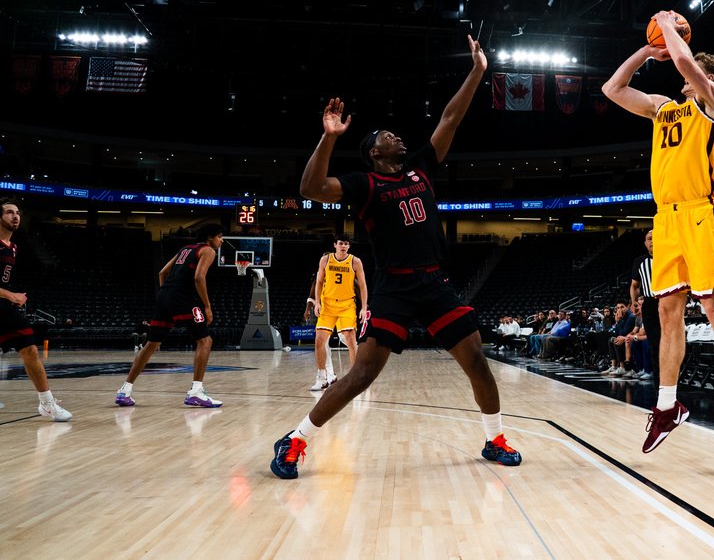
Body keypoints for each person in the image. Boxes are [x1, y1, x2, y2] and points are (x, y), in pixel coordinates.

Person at [271, 36, 522, 480]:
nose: (398, 136)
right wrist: (328, 138)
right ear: (374, 152)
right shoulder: (364, 184)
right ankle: (295, 439)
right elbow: (311, 188)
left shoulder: (421, 166)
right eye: (389, 136)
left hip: (435, 283)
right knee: (363, 373)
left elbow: (450, 117)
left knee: (477, 360)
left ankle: (494, 437)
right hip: (395, 286)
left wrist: (478, 72)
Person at [602, 10, 714, 460]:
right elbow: (613, 89)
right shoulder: (662, 109)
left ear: (705, 77)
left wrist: (667, 27)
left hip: (699, 213)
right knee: (668, 310)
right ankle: (668, 406)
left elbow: (687, 65)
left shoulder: (713, 102)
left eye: (693, 72)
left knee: (713, 305)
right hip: (665, 219)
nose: (685, 77)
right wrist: (648, 51)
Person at [114, 223, 225, 408]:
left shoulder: (185, 249)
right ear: (210, 238)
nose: (221, 241)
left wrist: (168, 294)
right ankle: (196, 391)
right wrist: (207, 306)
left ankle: (125, 390)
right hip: (183, 298)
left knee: (151, 344)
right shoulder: (208, 251)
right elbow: (199, 277)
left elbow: (162, 272)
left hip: (164, 296)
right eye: (220, 236)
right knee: (205, 341)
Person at [0, 200, 72, 421]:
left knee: (29, 349)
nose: (15, 216)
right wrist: (10, 295)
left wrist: (10, 297)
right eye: (9, 212)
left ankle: (47, 404)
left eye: (18, 213)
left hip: (3, 307)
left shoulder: (12, 247)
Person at [309, 234, 368, 391]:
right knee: (319, 341)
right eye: (341, 243)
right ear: (335, 245)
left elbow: (362, 285)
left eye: (346, 244)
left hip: (347, 304)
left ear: (349, 246)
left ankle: (356, 379)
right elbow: (319, 282)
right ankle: (322, 378)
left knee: (350, 338)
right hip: (328, 305)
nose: (343, 246)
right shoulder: (326, 260)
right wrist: (317, 303)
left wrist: (363, 307)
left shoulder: (355, 261)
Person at [630, 229, 662, 384]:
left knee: (670, 342)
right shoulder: (640, 261)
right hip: (650, 303)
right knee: (654, 344)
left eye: (656, 237)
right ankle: (659, 384)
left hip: (669, 302)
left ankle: (674, 380)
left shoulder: (671, 257)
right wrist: (634, 302)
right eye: (649, 238)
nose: (652, 241)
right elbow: (635, 285)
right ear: (645, 243)